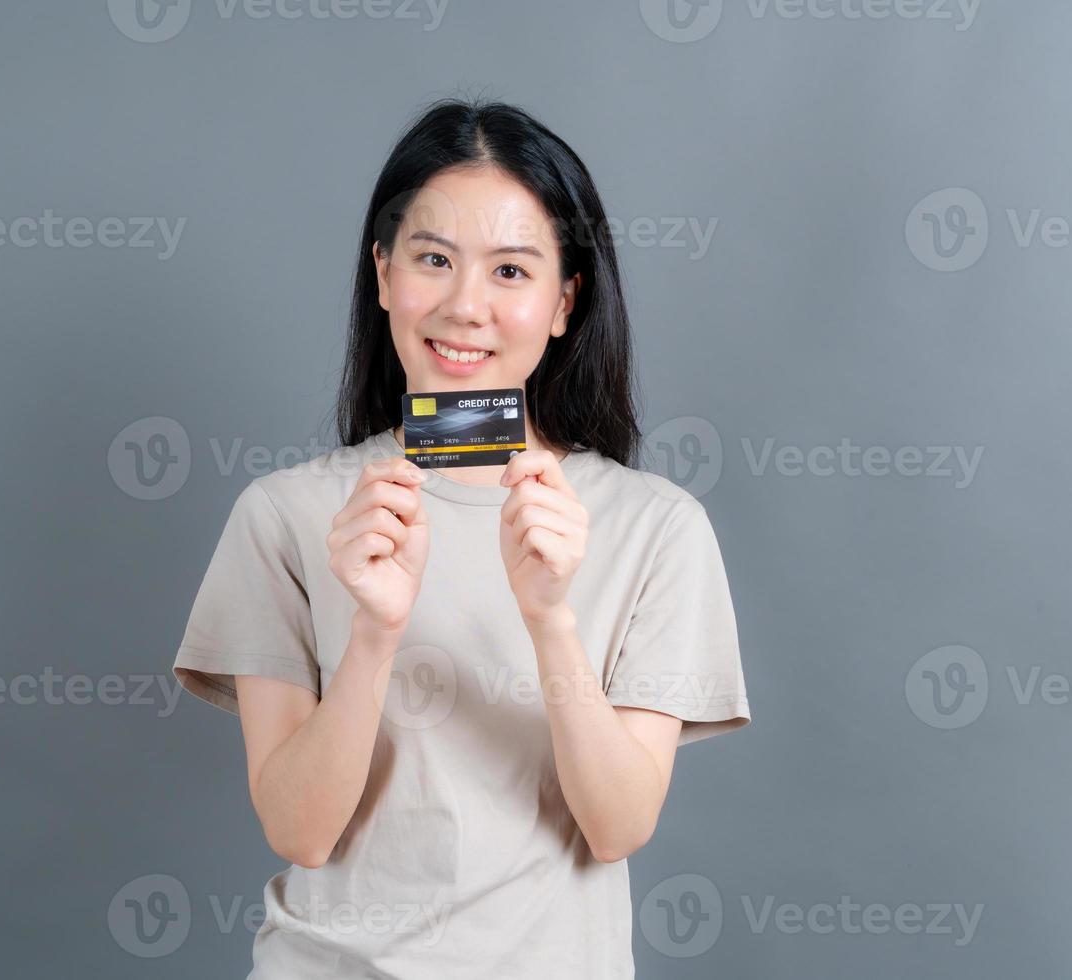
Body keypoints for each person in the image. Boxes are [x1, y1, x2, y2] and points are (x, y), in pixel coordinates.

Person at [170, 96, 751, 979]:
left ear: (565, 301)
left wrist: (552, 617)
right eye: (432, 259)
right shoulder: (285, 514)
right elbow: (298, 831)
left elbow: (618, 825)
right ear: (382, 273)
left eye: (511, 272)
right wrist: (373, 633)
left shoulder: (656, 528)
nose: (465, 305)